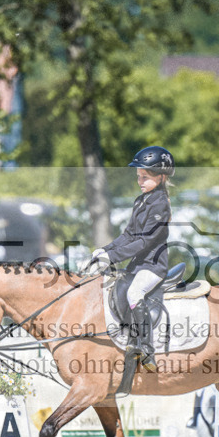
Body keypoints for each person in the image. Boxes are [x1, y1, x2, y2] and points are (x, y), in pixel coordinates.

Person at [86, 145, 174, 372]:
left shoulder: (160, 204)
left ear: (161, 177)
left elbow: (144, 241)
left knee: (135, 292)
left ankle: (146, 348)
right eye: (138, 176)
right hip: (138, 265)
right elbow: (128, 235)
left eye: (145, 177)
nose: (140, 181)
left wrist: (112, 257)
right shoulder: (141, 200)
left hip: (153, 266)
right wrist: (104, 251)